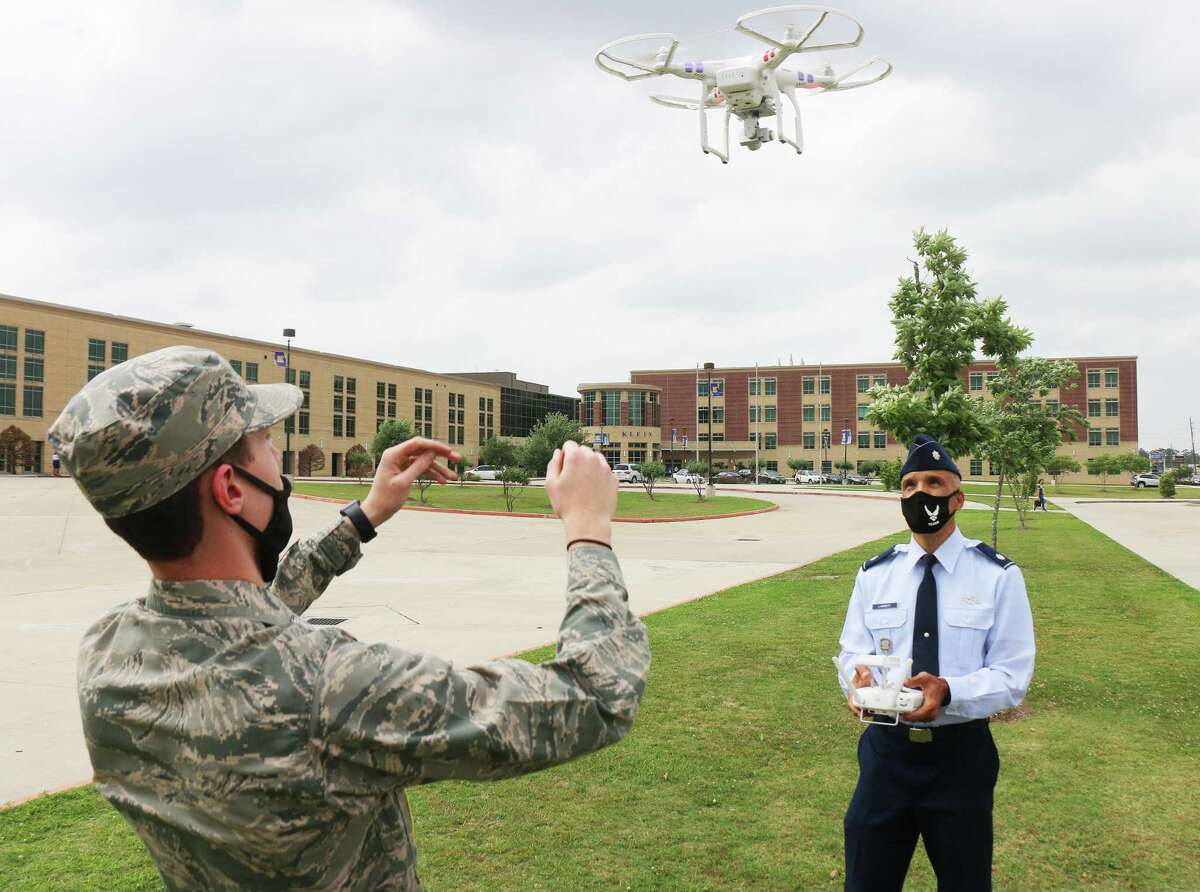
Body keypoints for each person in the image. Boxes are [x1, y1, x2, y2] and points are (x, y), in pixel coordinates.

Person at [48, 346, 651, 891]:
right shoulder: (326, 687)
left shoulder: (108, 658)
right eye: (263, 439)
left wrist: (365, 516)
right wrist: (588, 529)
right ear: (231, 489)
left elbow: (245, 619)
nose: (278, 455)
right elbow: (596, 697)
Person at [836, 434, 1035, 892]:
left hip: (960, 761)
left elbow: (1012, 675)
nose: (920, 492)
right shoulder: (874, 575)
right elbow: (852, 651)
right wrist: (857, 680)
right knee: (866, 881)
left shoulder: (998, 576)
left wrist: (949, 691)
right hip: (886, 756)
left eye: (933, 481)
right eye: (908, 485)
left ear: (957, 498)